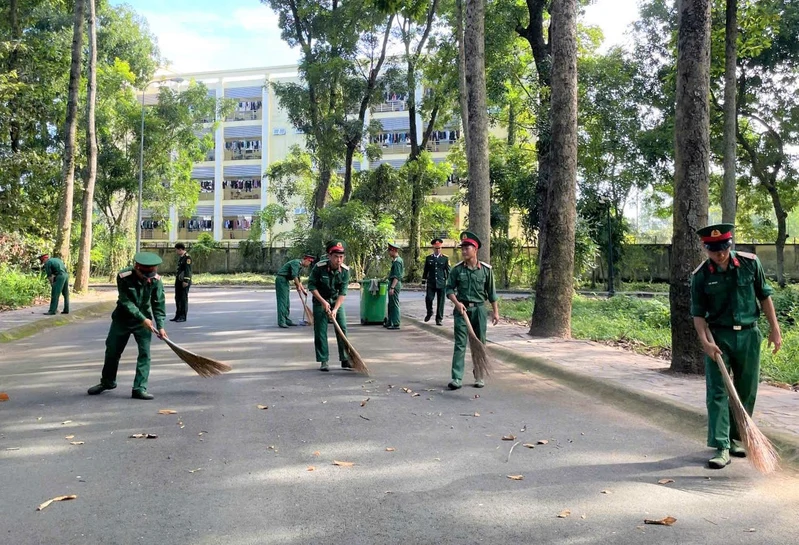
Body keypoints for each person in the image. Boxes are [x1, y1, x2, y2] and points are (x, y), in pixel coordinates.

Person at [690, 223, 782, 469]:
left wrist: (775, 329)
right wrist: (705, 343)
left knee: (746, 389)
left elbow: (764, 296)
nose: (720, 254)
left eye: (723, 248)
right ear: (705, 248)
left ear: (729, 244)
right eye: (714, 250)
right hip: (718, 337)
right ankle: (721, 445)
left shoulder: (750, 263)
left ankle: (736, 438)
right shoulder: (701, 276)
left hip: (750, 335)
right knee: (718, 391)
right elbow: (698, 314)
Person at [87, 252, 167, 400]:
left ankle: (139, 388)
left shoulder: (156, 280)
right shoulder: (123, 276)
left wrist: (161, 326)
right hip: (122, 320)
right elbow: (125, 301)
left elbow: (158, 303)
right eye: (144, 275)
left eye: (150, 275)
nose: (147, 278)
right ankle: (107, 382)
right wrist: (142, 318)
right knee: (112, 350)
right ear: (137, 267)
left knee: (145, 354)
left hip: (143, 323)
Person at [445, 231, 499, 390]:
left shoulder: (486, 270)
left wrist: (495, 312)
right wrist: (457, 303)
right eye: (462, 248)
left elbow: (492, 293)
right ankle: (456, 378)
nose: (463, 251)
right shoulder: (457, 270)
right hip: (462, 311)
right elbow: (449, 289)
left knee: (479, 343)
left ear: (475, 250)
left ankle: (479, 376)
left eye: (466, 248)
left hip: (479, 310)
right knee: (460, 344)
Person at [307, 240, 350, 372]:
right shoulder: (319, 267)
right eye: (336, 256)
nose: (339, 260)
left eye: (341, 257)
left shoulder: (345, 271)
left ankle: (345, 359)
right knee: (320, 330)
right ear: (329, 256)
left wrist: (335, 309)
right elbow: (311, 286)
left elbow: (343, 292)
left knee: (342, 328)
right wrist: (323, 302)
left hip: (336, 301)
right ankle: (323, 360)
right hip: (320, 300)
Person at [275, 254, 316, 328]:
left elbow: (298, 279)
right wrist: (298, 286)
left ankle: (286, 319)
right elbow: (294, 276)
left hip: (285, 281)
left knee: (287, 302)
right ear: (306, 260)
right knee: (282, 302)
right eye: (309, 263)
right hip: (281, 280)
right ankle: (281, 321)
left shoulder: (299, 266)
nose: (309, 265)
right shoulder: (296, 263)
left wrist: (303, 290)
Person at [422, 238, 450, 325]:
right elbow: (425, 270)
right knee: (429, 298)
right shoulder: (429, 258)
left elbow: (448, 271)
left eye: (439, 248)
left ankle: (439, 319)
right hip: (431, 282)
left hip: (441, 283)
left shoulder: (445, 258)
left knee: (441, 302)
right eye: (436, 248)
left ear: (441, 248)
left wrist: (450, 283)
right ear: (433, 248)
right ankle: (429, 312)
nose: (438, 250)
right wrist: (423, 281)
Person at [170, 243, 192, 322]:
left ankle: (183, 316)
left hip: (184, 281)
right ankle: (178, 315)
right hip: (179, 281)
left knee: (183, 299)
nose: (176, 252)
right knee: (178, 298)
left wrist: (186, 281)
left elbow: (188, 270)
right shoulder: (182, 257)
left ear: (180, 249)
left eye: (176, 250)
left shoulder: (187, 258)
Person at [385, 242, 404, 330]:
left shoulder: (397, 262)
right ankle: (390, 321)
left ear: (393, 251)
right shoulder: (395, 260)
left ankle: (396, 323)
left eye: (389, 250)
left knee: (394, 304)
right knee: (391, 304)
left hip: (395, 284)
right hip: (392, 283)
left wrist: (392, 287)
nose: (388, 253)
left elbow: (397, 276)